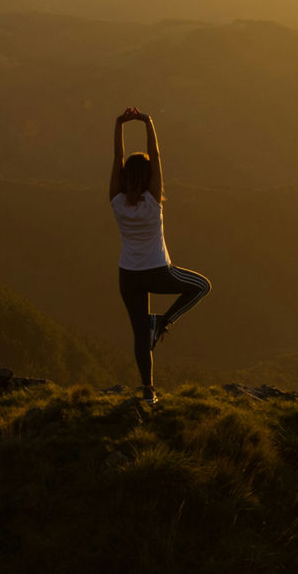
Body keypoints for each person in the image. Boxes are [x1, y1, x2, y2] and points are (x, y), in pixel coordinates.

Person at [110, 107, 211, 404]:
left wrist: (119, 125)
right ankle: (164, 323)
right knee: (202, 286)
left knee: (140, 336)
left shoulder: (116, 200)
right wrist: (148, 122)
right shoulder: (153, 200)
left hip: (128, 276)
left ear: (125, 175)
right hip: (157, 270)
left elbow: (117, 159)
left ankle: (148, 392)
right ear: (149, 176)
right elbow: (157, 157)